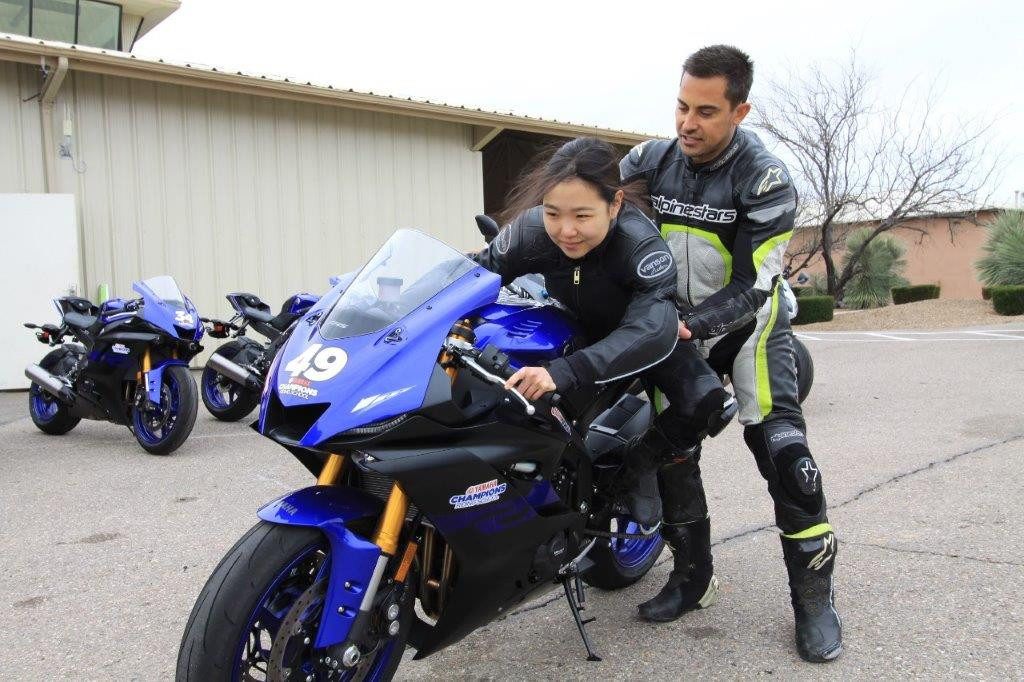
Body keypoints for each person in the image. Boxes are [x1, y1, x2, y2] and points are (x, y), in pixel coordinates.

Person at [619, 45, 842, 662]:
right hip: (676, 334)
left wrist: (682, 325)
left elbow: (755, 285)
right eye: (681, 106)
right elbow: (592, 212)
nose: (687, 123)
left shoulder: (765, 178)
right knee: (673, 457)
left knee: (787, 460)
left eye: (706, 111)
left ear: (740, 110)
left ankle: (814, 601)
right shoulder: (647, 161)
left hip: (746, 330)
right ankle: (693, 581)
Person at [472, 136, 736, 532]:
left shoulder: (641, 245)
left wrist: (564, 371)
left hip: (644, 340)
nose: (565, 230)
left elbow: (650, 328)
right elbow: (476, 274)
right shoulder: (529, 231)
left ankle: (640, 465)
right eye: (552, 213)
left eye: (582, 216)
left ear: (614, 204)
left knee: (708, 401)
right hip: (575, 330)